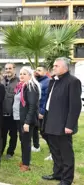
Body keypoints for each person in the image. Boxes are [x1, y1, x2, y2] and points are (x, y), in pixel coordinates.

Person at [42, 57, 82, 185]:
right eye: (54, 65)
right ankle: (58, 173)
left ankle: (67, 179)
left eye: (56, 66)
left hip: (63, 124)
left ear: (65, 67)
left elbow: (75, 106)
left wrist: (70, 125)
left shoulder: (73, 81)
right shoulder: (53, 81)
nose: (53, 67)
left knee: (66, 153)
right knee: (55, 151)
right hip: (50, 121)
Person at [14, 67, 40, 172]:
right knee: (23, 141)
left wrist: (27, 122)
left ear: (30, 75)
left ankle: (26, 164)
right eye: (20, 74)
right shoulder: (22, 86)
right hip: (21, 118)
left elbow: (32, 106)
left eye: (24, 74)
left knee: (26, 142)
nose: (21, 76)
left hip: (27, 120)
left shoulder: (31, 87)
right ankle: (24, 161)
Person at [1, 63, 19, 159]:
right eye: (6, 68)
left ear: (14, 69)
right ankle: (0, 151)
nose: (8, 70)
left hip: (13, 114)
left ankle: (10, 152)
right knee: (2, 134)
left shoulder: (19, 81)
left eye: (10, 68)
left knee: (13, 134)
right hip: (2, 113)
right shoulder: (1, 81)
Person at [34, 65, 51, 159]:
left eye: (39, 70)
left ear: (45, 72)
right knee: (41, 132)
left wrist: (42, 111)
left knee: (45, 133)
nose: (37, 71)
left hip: (42, 112)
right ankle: (37, 146)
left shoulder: (47, 82)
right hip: (36, 111)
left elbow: (47, 98)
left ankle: (53, 153)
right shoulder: (38, 81)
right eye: (36, 70)